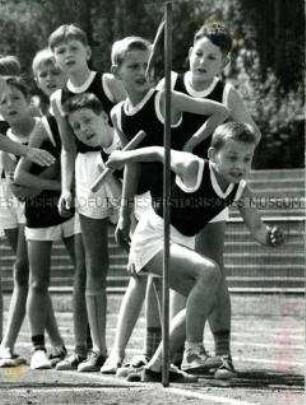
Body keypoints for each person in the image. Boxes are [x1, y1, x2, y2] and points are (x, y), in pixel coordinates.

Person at [106, 121, 284, 382]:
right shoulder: (193, 167)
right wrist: (122, 157)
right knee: (211, 272)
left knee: (205, 300)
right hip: (152, 239)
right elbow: (157, 152)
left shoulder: (240, 190)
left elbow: (258, 229)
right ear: (212, 155)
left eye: (247, 159)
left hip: (178, 244)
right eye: (232, 157)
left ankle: (156, 367)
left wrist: (270, 237)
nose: (240, 165)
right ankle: (193, 351)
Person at [101, 35, 229, 375]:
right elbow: (131, 164)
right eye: (133, 66)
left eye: (146, 65)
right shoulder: (117, 113)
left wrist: (191, 141)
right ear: (116, 71)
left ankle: (167, 360)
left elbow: (221, 111)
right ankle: (140, 355)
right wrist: (124, 213)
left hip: (177, 203)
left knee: (192, 289)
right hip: (149, 207)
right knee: (154, 280)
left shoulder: (164, 99)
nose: (143, 71)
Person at [157, 22, 262, 378]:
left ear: (223, 63)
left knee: (213, 268)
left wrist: (235, 166)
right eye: (198, 53)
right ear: (189, 54)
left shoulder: (226, 92)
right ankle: (179, 353)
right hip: (174, 191)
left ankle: (222, 353)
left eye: (212, 57)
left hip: (211, 190)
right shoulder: (169, 83)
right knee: (179, 273)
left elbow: (253, 133)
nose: (202, 61)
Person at [48, 23, 126, 372]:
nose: (67, 56)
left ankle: (160, 347)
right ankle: (94, 349)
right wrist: (66, 188)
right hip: (84, 172)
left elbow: (131, 119)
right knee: (93, 266)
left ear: (87, 52)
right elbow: (67, 147)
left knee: (144, 256)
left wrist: (124, 161)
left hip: (121, 163)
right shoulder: (56, 98)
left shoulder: (107, 82)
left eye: (73, 49)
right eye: (60, 51)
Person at [31, 48, 92, 370]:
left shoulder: (82, 106)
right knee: (37, 278)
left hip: (80, 196)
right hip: (48, 204)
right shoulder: (43, 120)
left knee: (83, 270)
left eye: (55, 71)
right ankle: (49, 344)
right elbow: (22, 175)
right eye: (44, 74)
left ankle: (87, 344)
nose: (51, 78)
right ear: (37, 81)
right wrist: (60, 186)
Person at [0, 75, 64, 368]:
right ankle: (56, 343)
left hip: (34, 207)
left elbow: (33, 182)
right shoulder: (4, 134)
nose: (9, 105)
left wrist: (37, 182)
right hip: (8, 203)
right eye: (2, 101)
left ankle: (8, 344)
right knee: (26, 274)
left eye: (15, 99)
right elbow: (15, 185)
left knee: (24, 272)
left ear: (29, 101)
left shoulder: (43, 127)